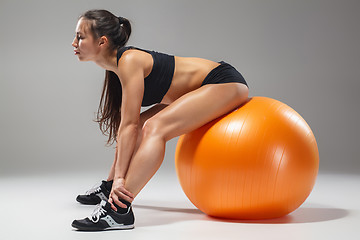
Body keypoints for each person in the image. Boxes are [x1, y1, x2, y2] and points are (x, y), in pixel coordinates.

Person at [71, 9, 249, 231]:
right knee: (140, 128)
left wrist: (121, 179)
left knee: (155, 127)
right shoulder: (116, 66)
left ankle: (119, 209)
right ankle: (108, 190)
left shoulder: (129, 61)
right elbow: (128, 128)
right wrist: (114, 180)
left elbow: (129, 124)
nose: (73, 42)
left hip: (223, 83)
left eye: (80, 36)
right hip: (199, 90)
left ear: (102, 42)